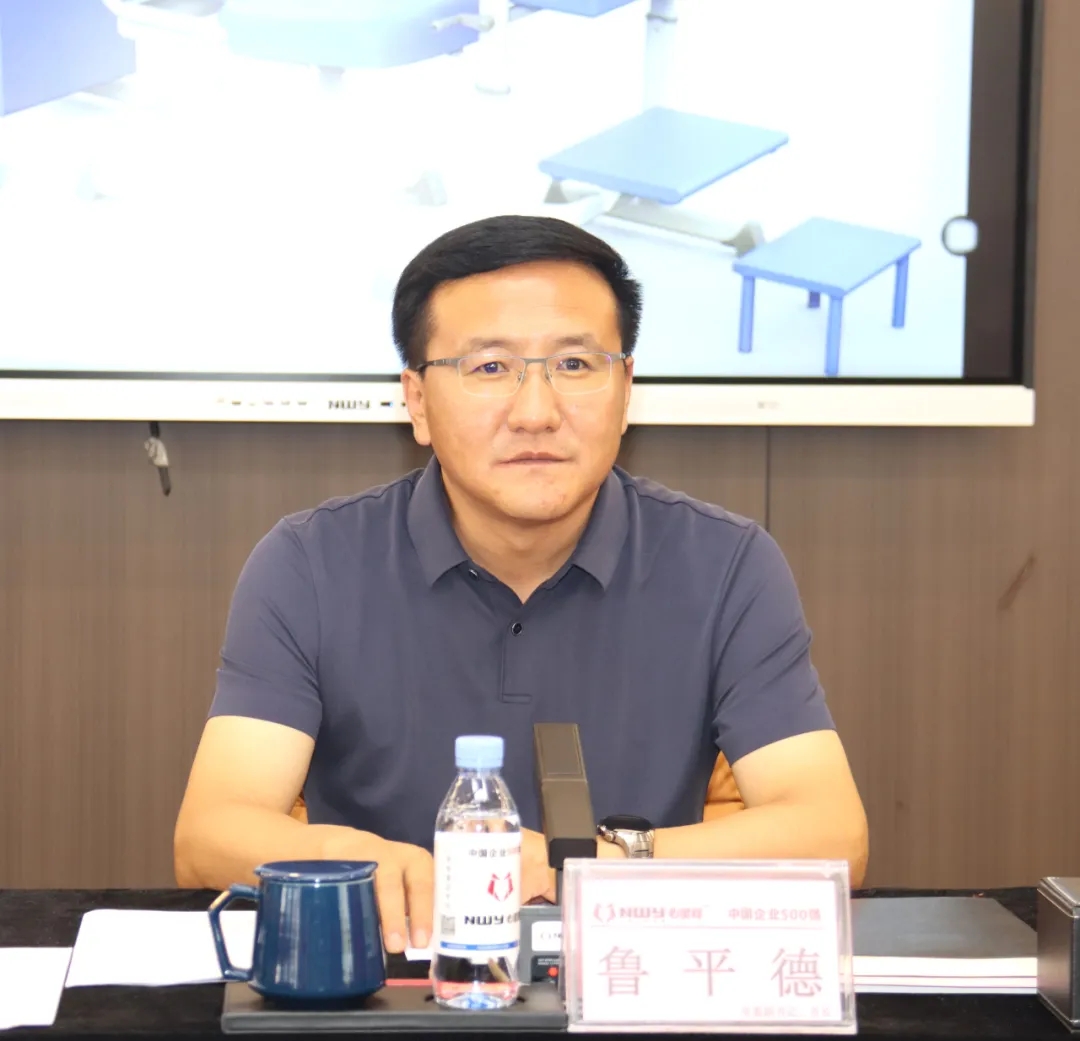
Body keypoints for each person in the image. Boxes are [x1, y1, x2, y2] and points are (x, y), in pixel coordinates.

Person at [174, 214, 869, 954]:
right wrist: (362, 864)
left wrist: (598, 865)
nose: (536, 413)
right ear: (416, 401)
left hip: (626, 976)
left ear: (625, 389)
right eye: (489, 368)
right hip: (389, 978)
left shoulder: (726, 564)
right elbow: (209, 833)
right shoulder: (309, 564)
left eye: (575, 364)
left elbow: (833, 833)